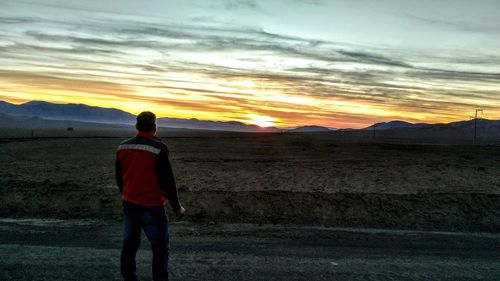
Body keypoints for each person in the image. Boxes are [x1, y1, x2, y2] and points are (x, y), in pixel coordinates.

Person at [115, 111, 186, 281]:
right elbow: (168, 181)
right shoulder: (159, 148)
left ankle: (129, 278)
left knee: (129, 246)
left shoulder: (122, 147)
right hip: (152, 208)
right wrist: (177, 207)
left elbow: (119, 178)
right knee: (160, 249)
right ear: (154, 127)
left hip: (130, 205)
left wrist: (127, 194)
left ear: (137, 126)